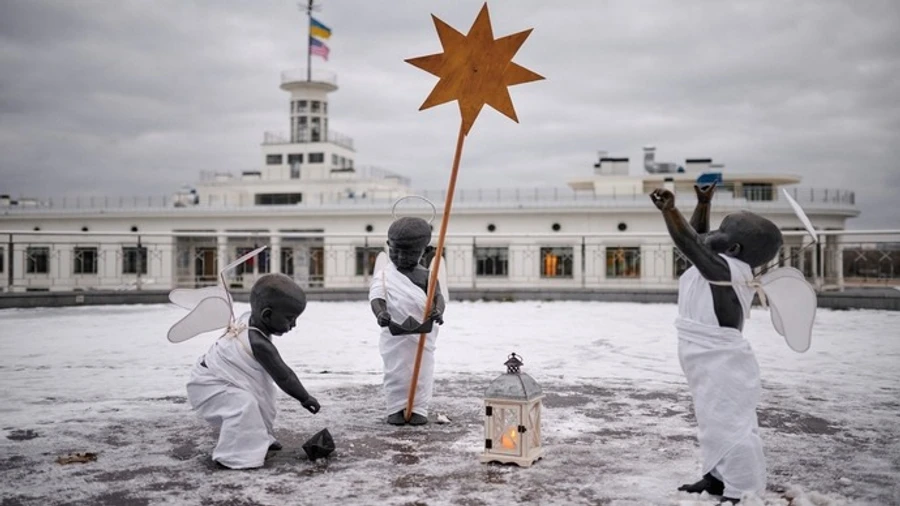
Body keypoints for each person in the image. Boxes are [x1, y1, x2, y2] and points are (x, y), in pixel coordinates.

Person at [650, 184, 783, 503]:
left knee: (729, 425)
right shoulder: (719, 265)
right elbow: (695, 241)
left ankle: (742, 490)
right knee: (712, 421)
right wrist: (704, 203)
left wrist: (669, 210)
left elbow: (690, 242)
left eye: (722, 231)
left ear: (734, 249)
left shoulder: (725, 271)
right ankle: (716, 477)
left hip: (722, 363)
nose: (713, 233)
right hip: (703, 357)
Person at [186, 273, 321, 469]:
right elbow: (284, 376)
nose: (293, 325)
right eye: (290, 318)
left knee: (262, 398)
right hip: (210, 385)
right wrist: (305, 398)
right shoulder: (259, 343)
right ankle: (233, 455)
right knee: (244, 407)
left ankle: (259, 439)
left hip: (222, 379)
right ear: (266, 315)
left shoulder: (250, 318)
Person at [369, 217, 445, 426]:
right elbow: (377, 297)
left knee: (422, 372)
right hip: (395, 336)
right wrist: (380, 313)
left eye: (409, 252)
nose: (401, 257)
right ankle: (395, 407)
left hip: (422, 336)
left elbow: (438, 297)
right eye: (395, 251)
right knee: (396, 371)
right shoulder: (386, 276)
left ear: (425, 251)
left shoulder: (428, 276)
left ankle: (419, 407)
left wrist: (437, 311)